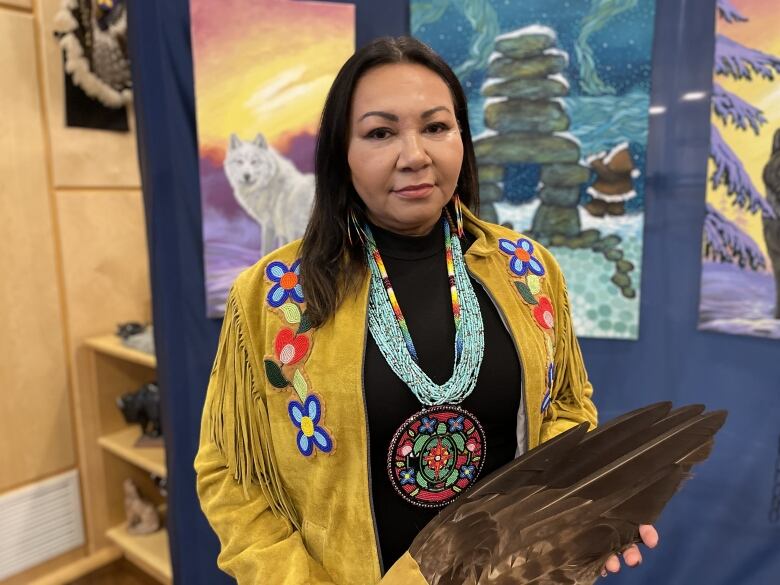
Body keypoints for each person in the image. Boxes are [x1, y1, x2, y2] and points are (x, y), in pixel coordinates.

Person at [195, 35, 657, 584]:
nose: (414, 155)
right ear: (342, 152)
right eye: (380, 132)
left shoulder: (526, 270)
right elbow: (230, 474)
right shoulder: (272, 296)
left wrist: (576, 515)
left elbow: (566, 408)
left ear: (462, 137)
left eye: (436, 127)